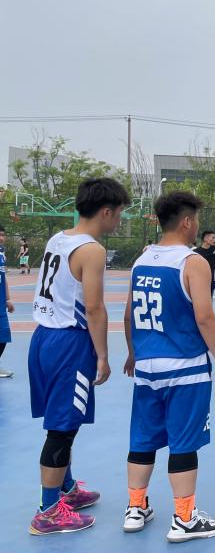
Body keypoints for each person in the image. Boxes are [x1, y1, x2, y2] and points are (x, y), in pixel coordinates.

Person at [122, 191, 215, 541]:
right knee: (184, 442)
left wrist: (132, 353)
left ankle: (135, 508)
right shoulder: (192, 262)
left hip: (147, 368)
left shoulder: (142, 261)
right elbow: (204, 316)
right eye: (196, 220)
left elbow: (128, 315)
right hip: (184, 367)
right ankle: (184, 518)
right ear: (187, 222)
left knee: (143, 438)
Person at [28, 177, 130, 535]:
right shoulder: (92, 250)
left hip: (43, 337)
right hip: (69, 344)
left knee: (64, 421)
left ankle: (66, 489)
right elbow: (94, 308)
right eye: (120, 213)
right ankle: (48, 511)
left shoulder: (59, 238)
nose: (120, 220)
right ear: (107, 212)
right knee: (61, 429)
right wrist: (102, 355)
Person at [0, 226, 14, 378]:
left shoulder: (1, 254)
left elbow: (3, 277)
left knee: (3, 335)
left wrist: (8, 298)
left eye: (3, 235)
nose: (1, 238)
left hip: (1, 302)